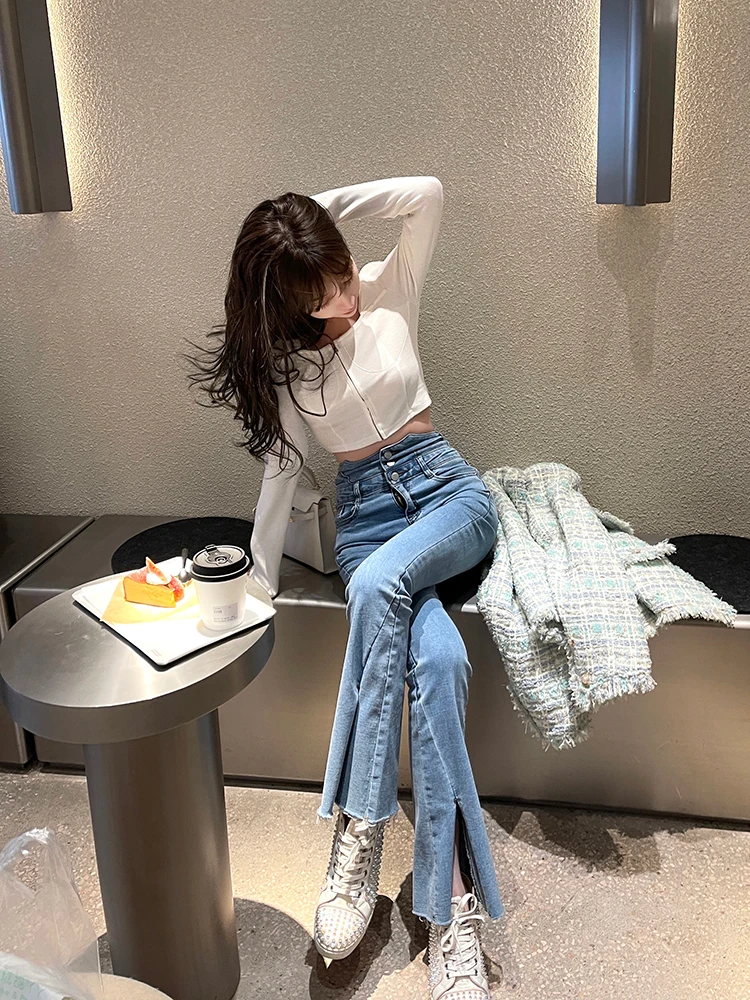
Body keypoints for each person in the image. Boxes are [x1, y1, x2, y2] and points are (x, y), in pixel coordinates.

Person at [186, 175, 503, 999]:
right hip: (364, 521)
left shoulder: (391, 285)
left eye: (341, 272)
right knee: (440, 664)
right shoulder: (291, 372)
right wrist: (251, 587)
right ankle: (451, 902)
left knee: (379, 588)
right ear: (290, 304)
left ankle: (358, 828)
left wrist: (323, 212)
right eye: (324, 292)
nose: (346, 295)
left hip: (447, 497)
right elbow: (279, 479)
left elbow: (428, 194)